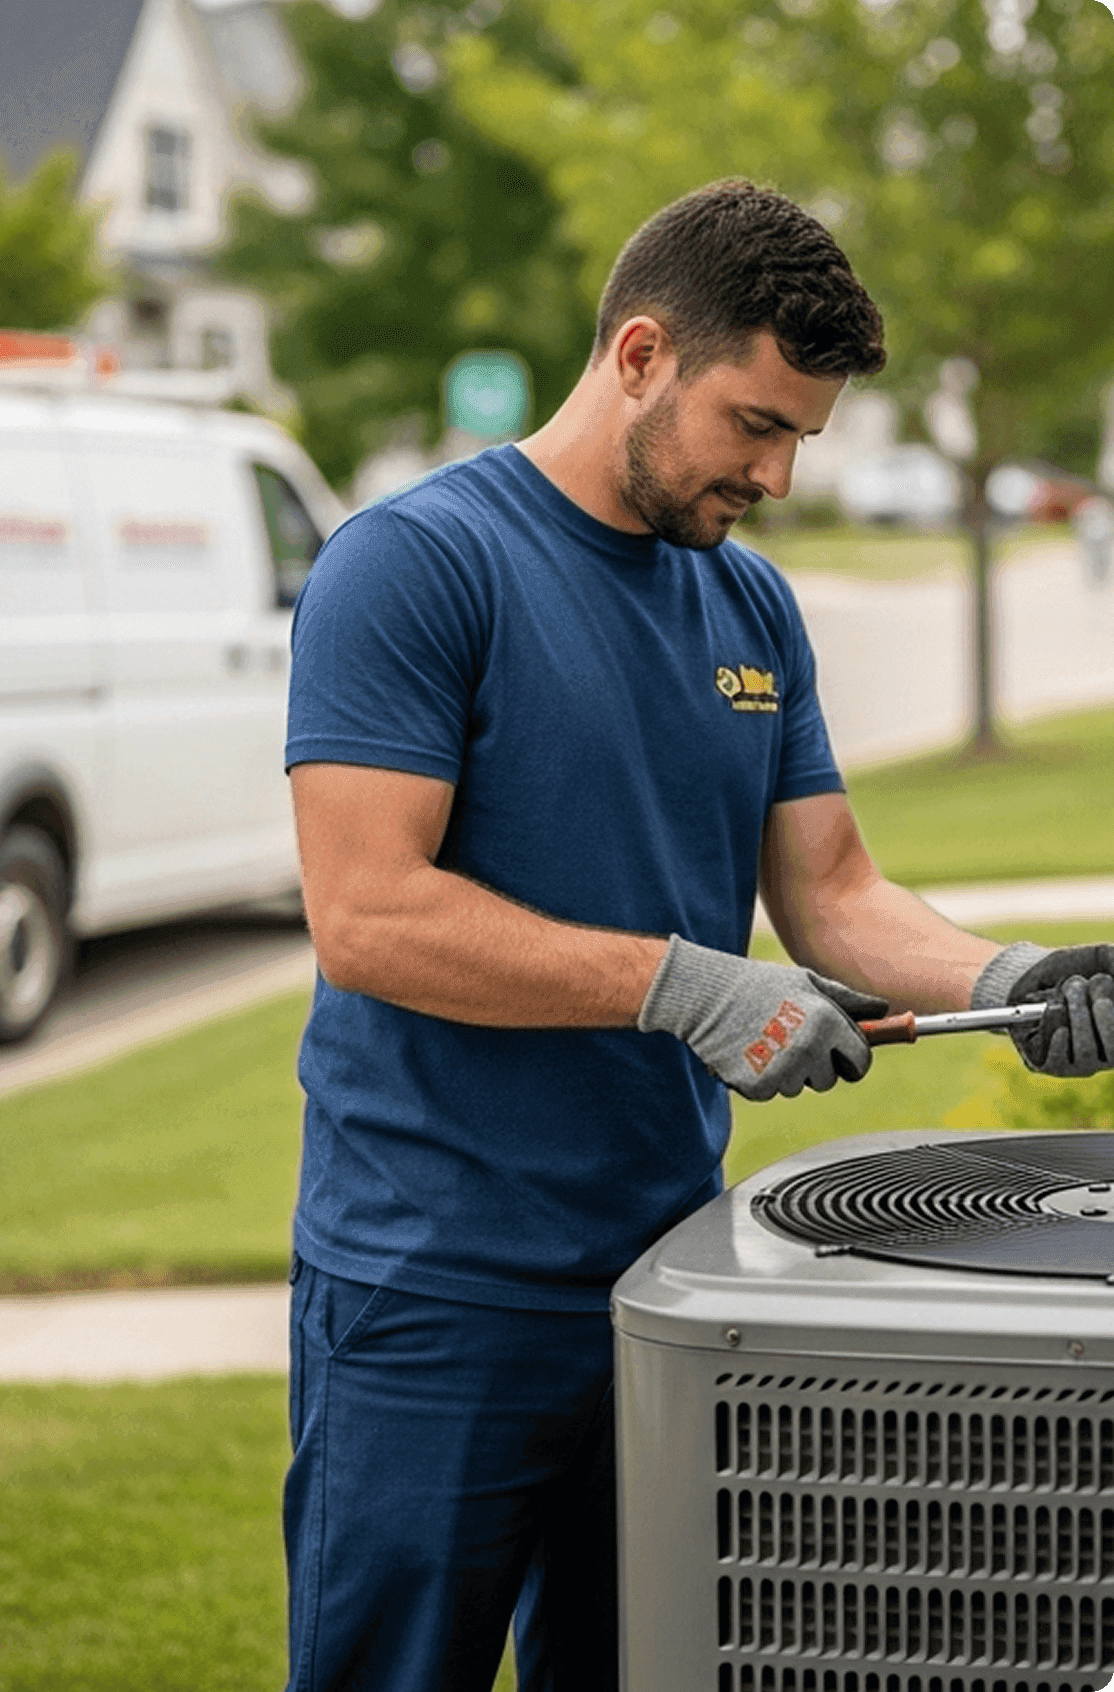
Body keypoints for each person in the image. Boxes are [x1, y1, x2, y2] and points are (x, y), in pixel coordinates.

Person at [280, 178, 1114, 1692]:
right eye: (758, 424)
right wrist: (683, 987)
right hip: (433, 1291)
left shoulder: (752, 608)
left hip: (674, 1287)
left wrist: (1011, 980)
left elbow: (836, 891)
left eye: (804, 434)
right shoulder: (414, 567)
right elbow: (368, 916)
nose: (781, 475)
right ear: (644, 354)